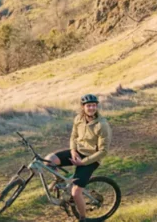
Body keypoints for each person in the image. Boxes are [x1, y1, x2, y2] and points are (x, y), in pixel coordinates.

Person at [44, 94, 112, 222]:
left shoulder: (102, 125)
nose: (91, 108)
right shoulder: (78, 119)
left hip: (91, 159)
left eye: (94, 105)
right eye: (88, 106)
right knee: (49, 160)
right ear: (83, 107)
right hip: (77, 152)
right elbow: (73, 137)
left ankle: (83, 218)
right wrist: (73, 151)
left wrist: (83, 162)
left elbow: (103, 151)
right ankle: (59, 180)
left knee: (76, 193)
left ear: (96, 107)